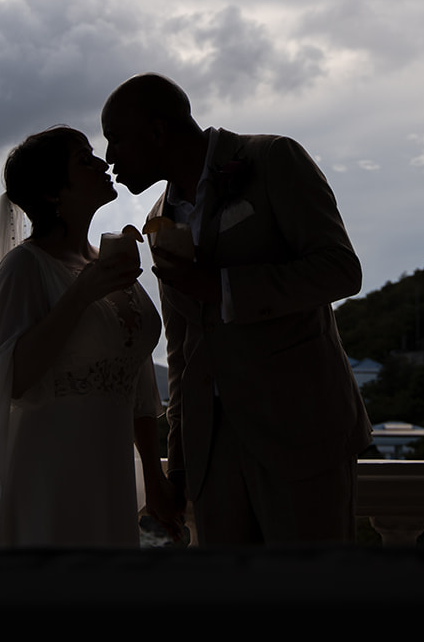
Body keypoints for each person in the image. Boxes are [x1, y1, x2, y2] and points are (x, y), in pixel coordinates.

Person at [100, 74, 371, 545]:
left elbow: (341, 270)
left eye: (116, 139)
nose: (110, 157)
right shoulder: (157, 220)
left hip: (301, 433)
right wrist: (179, 466)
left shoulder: (272, 160)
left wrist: (222, 287)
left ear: (158, 132)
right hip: (213, 457)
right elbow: (182, 351)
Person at [0, 126, 182, 548]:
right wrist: (83, 294)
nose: (103, 163)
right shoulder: (24, 268)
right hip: (47, 474)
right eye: (84, 159)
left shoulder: (108, 260)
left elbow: (137, 377)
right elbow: (10, 379)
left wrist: (154, 475)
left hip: (110, 474)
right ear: (53, 192)